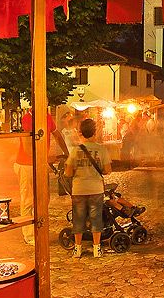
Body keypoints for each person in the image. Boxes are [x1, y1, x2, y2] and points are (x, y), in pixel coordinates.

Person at [16, 107, 68, 245]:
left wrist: (66, 153)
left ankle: (40, 229)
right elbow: (27, 147)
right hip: (26, 164)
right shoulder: (27, 119)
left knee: (44, 198)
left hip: (40, 162)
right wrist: (41, 162)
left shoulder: (46, 116)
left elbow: (57, 135)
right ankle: (29, 235)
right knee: (28, 200)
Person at [64, 118, 111, 258]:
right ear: (94, 132)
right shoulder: (101, 149)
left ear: (81, 133)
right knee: (96, 218)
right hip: (96, 189)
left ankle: (77, 249)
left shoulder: (75, 151)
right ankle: (97, 249)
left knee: (78, 218)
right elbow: (107, 170)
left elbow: (68, 172)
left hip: (79, 189)